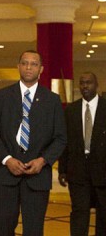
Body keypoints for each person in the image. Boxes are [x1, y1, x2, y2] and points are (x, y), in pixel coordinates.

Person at [0, 50, 67, 236]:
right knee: (3, 229)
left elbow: (60, 138)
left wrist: (43, 160)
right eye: (25, 63)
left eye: (34, 64)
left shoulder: (52, 100)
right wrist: (7, 159)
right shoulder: (2, 96)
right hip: (6, 176)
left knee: (34, 230)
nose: (29, 67)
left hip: (37, 178)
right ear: (18, 66)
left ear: (41, 69)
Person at [58, 72, 106, 236]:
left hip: (103, 171)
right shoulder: (71, 110)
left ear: (96, 84)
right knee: (79, 212)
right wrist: (62, 169)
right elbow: (65, 142)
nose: (85, 86)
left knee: (104, 214)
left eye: (89, 83)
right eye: (82, 83)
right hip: (77, 171)